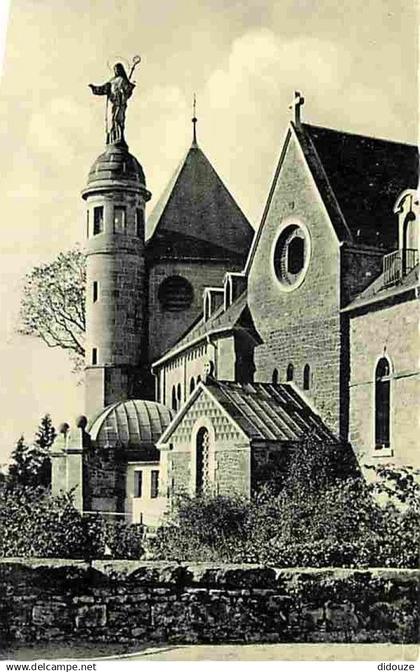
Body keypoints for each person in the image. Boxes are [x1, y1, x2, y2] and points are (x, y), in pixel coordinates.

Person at [89, 63, 135, 145]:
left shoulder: (123, 80)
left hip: (120, 103)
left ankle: (119, 137)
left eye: (117, 69)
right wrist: (94, 88)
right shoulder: (112, 81)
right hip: (112, 103)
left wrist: (128, 88)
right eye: (115, 69)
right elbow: (103, 89)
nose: (116, 71)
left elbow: (127, 92)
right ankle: (112, 139)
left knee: (118, 119)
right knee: (111, 121)